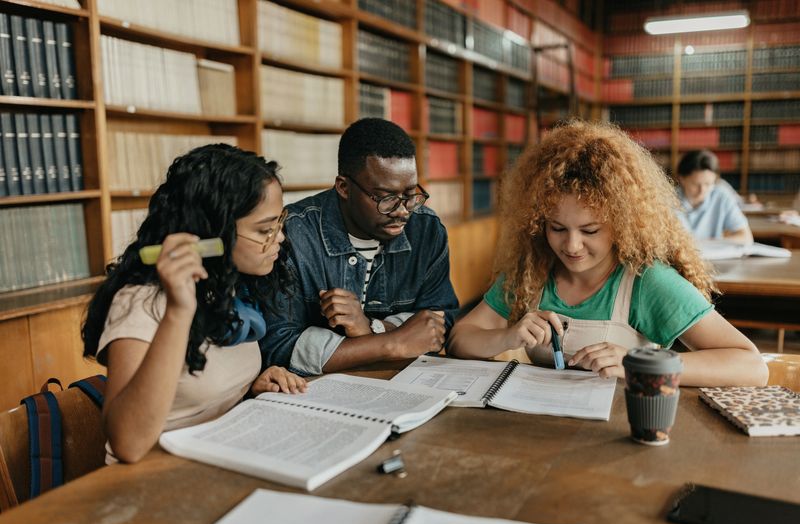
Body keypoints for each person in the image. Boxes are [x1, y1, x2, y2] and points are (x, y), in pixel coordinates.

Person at [447, 121, 767, 387]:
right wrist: (507, 336)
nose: (571, 246)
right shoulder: (533, 270)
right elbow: (460, 338)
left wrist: (639, 364)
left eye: (590, 231)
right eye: (557, 228)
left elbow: (751, 365)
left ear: (622, 224)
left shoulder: (647, 282)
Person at [82, 144, 306, 463]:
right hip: (153, 477)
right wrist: (178, 311)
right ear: (213, 234)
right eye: (265, 230)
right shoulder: (141, 301)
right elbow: (128, 444)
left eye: (279, 223)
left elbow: (198, 391)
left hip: (218, 456)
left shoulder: (226, 285)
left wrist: (248, 388)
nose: (280, 238)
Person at [261, 118, 459, 375]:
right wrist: (392, 343)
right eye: (386, 198)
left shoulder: (427, 230)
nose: (402, 211)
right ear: (343, 187)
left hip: (402, 382)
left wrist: (371, 327)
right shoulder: (295, 234)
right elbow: (278, 345)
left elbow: (441, 323)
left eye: (411, 194)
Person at [675, 149, 753, 243]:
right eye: (695, 184)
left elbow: (746, 237)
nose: (702, 191)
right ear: (682, 179)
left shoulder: (721, 196)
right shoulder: (668, 199)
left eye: (708, 184)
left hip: (714, 255)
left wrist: (713, 243)